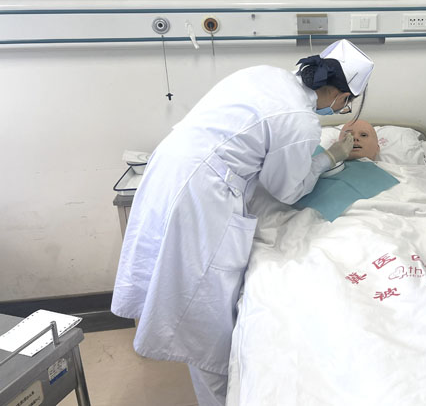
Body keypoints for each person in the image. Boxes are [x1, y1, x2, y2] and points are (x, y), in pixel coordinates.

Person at [111, 39, 374, 406]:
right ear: (338, 94)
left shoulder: (266, 75)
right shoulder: (300, 120)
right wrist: (330, 156)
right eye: (345, 105)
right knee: (205, 310)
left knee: (181, 285)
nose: (343, 113)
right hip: (201, 193)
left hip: (171, 168)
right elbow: (288, 188)